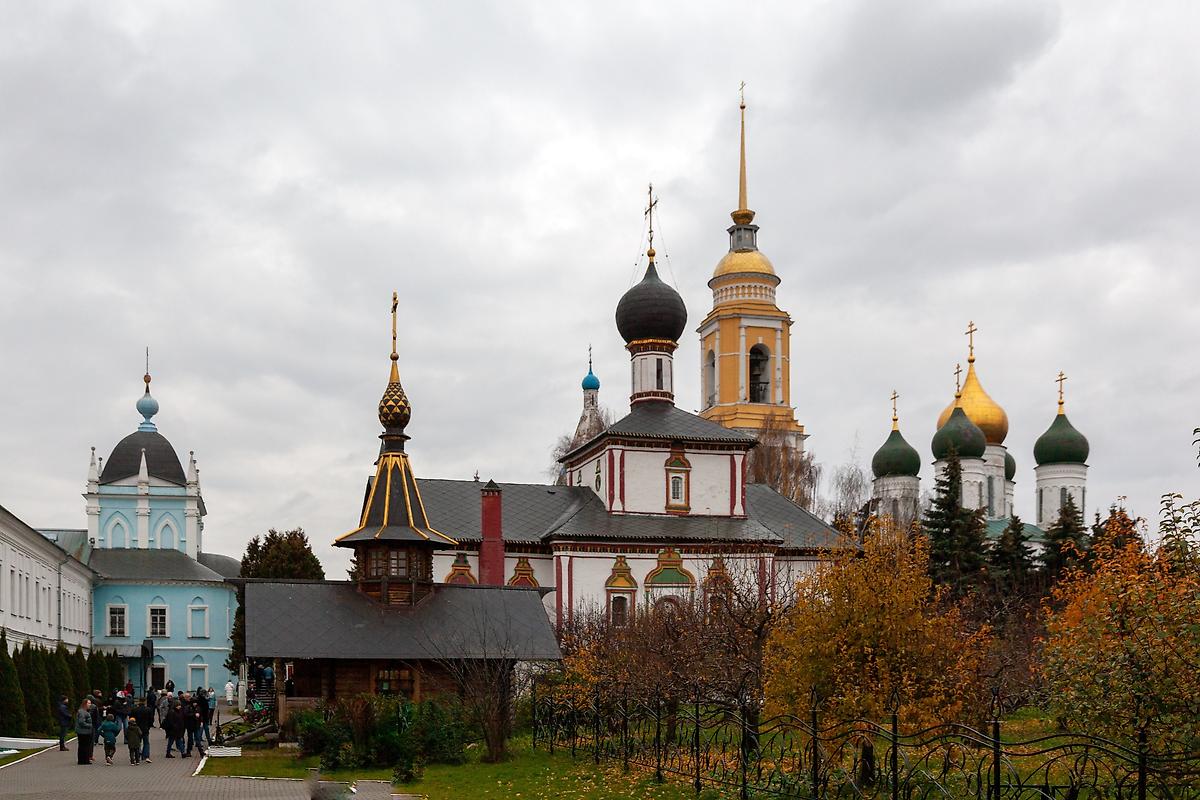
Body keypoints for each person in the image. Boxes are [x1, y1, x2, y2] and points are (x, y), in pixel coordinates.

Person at [132, 695, 155, 764]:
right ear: (145, 701)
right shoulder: (148, 709)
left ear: (139, 701)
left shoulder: (135, 710)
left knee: (138, 742)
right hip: (145, 728)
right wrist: (149, 726)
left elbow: (131, 719)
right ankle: (146, 756)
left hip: (136, 728)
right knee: (146, 742)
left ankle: (138, 755)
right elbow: (151, 719)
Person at [75, 699, 94, 765]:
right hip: (84, 732)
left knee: (82, 746)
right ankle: (84, 760)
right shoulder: (82, 712)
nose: (90, 705)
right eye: (88, 703)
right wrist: (89, 725)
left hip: (83, 731)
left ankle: (82, 760)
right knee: (85, 746)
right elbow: (81, 722)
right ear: (85, 704)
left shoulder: (83, 711)